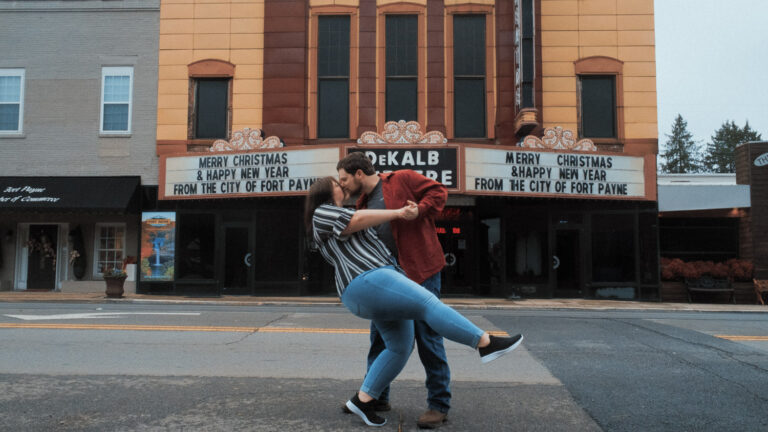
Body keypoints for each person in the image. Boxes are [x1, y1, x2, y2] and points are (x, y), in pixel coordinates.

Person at [305, 177, 524, 427]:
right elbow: (355, 221)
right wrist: (398, 212)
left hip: (370, 287)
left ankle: (363, 399)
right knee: (428, 304)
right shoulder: (322, 212)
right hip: (366, 279)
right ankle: (485, 343)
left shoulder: (342, 210)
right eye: (336, 182)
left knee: (399, 347)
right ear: (324, 191)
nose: (341, 184)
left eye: (343, 179)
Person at [337, 152, 452, 428]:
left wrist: (420, 210)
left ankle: (439, 405)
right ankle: (374, 397)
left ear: (359, 174)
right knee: (380, 339)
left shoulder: (402, 179)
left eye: (344, 179)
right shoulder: (363, 202)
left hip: (421, 271)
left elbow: (439, 193)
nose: (342, 185)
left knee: (428, 338)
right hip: (387, 281)